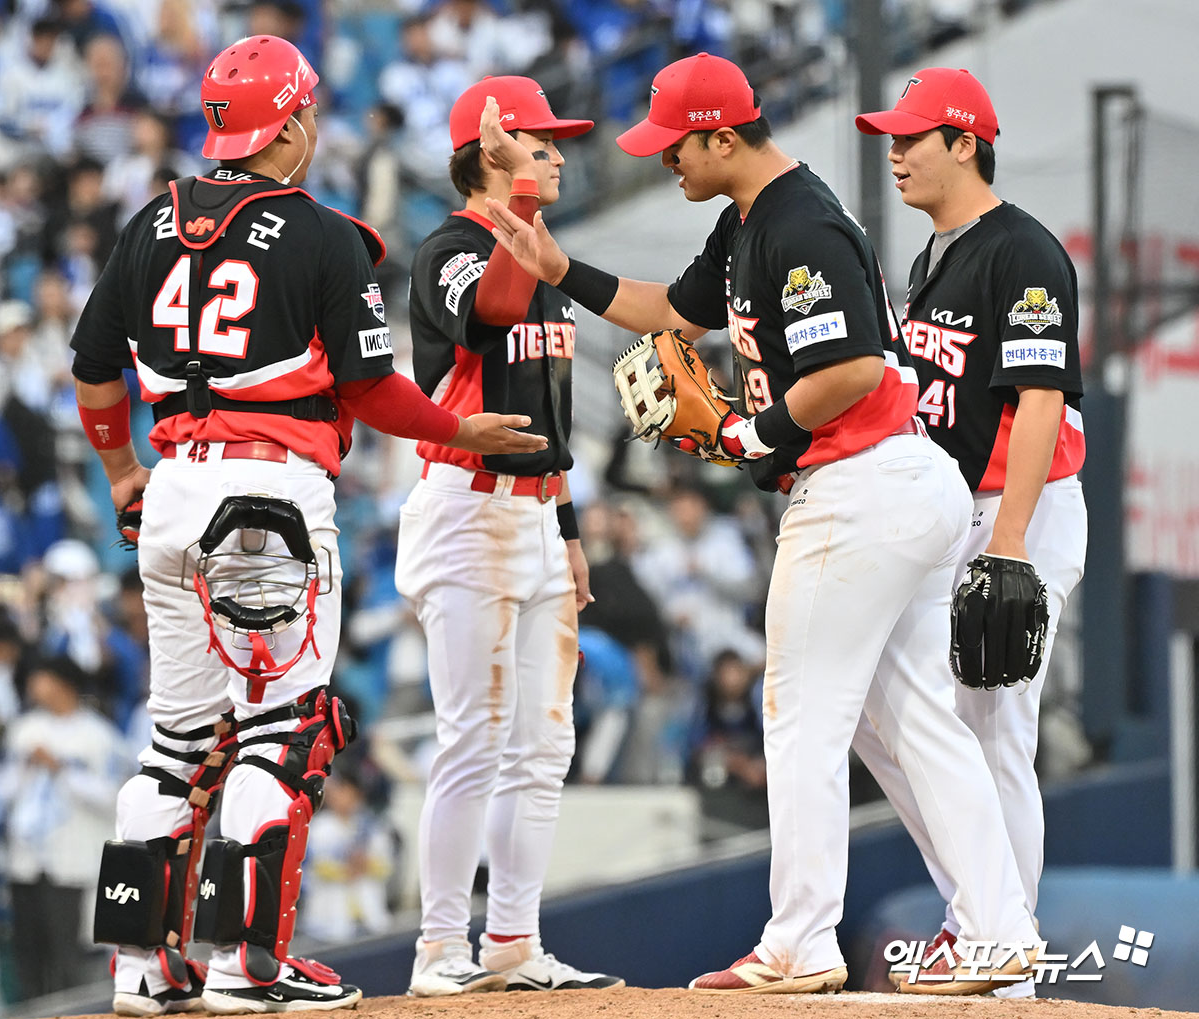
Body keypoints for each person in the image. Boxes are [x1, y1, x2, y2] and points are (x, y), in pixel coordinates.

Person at [488, 51, 1040, 994]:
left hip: (861, 484)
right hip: (892, 484)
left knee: (797, 716)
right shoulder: (749, 219)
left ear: (719, 134)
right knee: (906, 717)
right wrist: (560, 267)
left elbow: (855, 368)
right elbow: (668, 310)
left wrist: (757, 432)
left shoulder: (799, 221)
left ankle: (801, 938)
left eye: (674, 145)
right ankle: (999, 927)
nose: (665, 159)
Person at [70, 35, 545, 1017]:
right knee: (282, 731)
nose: (315, 125)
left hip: (171, 492)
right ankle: (247, 964)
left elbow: (91, 368)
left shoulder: (148, 224)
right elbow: (371, 388)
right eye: (309, 111)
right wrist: (458, 424)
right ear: (287, 124)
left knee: (173, 747)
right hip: (269, 497)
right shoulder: (323, 234)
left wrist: (122, 468)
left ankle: (138, 967)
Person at [851, 67, 1087, 997]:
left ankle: (1004, 954)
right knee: (887, 712)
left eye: (914, 136)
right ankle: (978, 915)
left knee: (993, 731)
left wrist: (1011, 541)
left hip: (1015, 513)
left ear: (966, 143)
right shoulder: (936, 254)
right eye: (893, 136)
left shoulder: (1022, 249)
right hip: (955, 512)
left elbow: (1039, 400)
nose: (896, 151)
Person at [396, 75, 623, 997]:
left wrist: (566, 528)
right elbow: (487, 312)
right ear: (491, 152)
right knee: (474, 738)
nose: (558, 154)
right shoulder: (452, 247)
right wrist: (516, 202)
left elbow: (547, 415)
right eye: (538, 141)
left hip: (532, 511)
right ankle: (438, 945)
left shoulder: (545, 266)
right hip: (466, 510)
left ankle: (513, 941)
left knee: (544, 744)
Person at [0, 655, 130, 1001]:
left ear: (63, 684)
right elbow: (6, 791)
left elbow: (113, 795)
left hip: (71, 861)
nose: (34, 687)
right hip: (27, 860)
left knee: (67, 951)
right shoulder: (25, 729)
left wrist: (60, 768)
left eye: (41, 679)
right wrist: (26, 767)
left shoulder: (98, 734)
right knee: (27, 949)